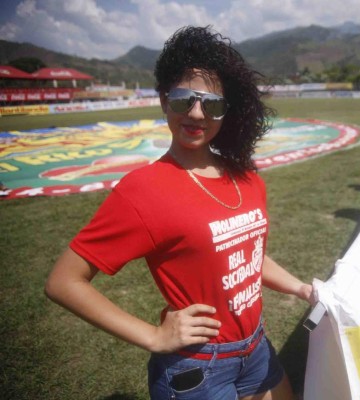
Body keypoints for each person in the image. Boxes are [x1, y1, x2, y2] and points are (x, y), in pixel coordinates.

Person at [45, 25, 313, 400]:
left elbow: (248, 258)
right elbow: (63, 281)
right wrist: (153, 335)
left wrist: (301, 288)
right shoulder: (143, 190)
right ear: (163, 99)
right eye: (185, 98)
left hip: (255, 348)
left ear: (227, 112)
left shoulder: (247, 178)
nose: (198, 113)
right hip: (198, 368)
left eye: (213, 104)